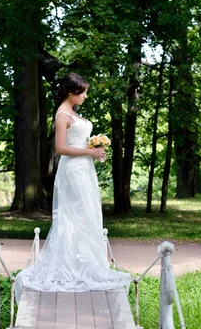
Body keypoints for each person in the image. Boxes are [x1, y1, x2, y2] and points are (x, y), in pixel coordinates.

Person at [15, 73, 131, 297]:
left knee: (87, 214)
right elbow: (60, 148)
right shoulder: (62, 115)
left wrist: (94, 150)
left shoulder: (73, 114)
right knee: (74, 216)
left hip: (84, 169)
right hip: (72, 171)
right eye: (83, 92)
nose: (86, 96)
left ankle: (87, 264)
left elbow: (76, 141)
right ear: (71, 92)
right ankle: (71, 268)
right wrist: (90, 151)